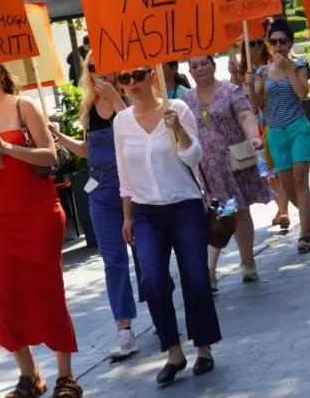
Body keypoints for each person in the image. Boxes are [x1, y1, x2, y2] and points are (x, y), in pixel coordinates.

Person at [0, 64, 82, 398]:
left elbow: (49, 157)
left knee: (47, 291)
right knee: (1, 296)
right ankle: (29, 376)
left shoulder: (23, 105)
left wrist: (10, 149)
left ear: (2, 73)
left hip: (39, 213)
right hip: (2, 218)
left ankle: (66, 378)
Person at [114, 66, 220, 384]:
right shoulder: (121, 122)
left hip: (185, 207)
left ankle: (203, 347)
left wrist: (178, 130)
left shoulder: (178, 109)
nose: (132, 83)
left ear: (152, 76)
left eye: (137, 75)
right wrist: (127, 216)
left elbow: (195, 156)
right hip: (146, 213)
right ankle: (173, 351)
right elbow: (125, 175)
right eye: (124, 78)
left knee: (196, 278)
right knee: (154, 282)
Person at [49, 52, 147, 361]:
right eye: (92, 68)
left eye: (103, 66)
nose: (97, 72)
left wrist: (118, 99)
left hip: (133, 185)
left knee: (147, 254)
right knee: (112, 260)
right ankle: (124, 329)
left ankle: (160, 310)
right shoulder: (89, 108)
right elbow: (88, 151)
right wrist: (58, 136)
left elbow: (138, 136)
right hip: (101, 190)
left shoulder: (132, 96)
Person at [182, 55, 273, 291]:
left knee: (238, 211)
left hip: (233, 166)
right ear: (190, 71)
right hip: (205, 170)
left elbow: (246, 115)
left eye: (204, 63)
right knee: (218, 216)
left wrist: (253, 136)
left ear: (214, 65)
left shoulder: (231, 91)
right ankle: (210, 271)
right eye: (194, 65)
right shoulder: (185, 100)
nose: (200, 68)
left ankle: (246, 262)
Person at [247, 18, 310, 254]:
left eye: (282, 41)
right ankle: (309, 214)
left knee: (301, 180)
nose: (278, 46)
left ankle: (304, 235)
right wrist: (249, 86)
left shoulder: (300, 65)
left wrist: (288, 68)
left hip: (298, 129)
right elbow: (255, 105)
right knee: (287, 187)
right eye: (274, 41)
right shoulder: (262, 71)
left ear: (290, 42)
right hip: (275, 133)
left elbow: (302, 93)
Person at [229, 35, 291, 229]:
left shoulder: (271, 65)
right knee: (265, 172)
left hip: (272, 122)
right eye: (250, 44)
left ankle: (284, 210)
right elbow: (233, 95)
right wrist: (234, 75)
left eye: (257, 42)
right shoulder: (241, 72)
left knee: (277, 170)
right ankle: (281, 206)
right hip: (252, 128)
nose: (255, 46)